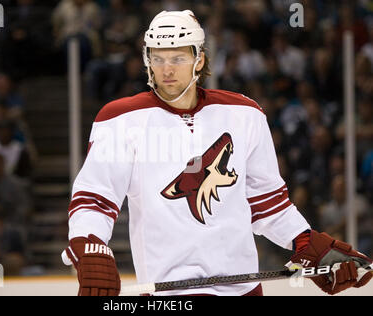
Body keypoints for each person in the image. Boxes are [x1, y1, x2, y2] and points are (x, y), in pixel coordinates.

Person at [62, 10, 372, 296]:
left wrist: (307, 242)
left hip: (243, 291)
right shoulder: (121, 119)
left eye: (178, 58)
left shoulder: (244, 113)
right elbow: (95, 199)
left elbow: (266, 203)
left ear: (199, 60)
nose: (166, 69)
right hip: (168, 296)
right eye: (157, 58)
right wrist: (90, 246)